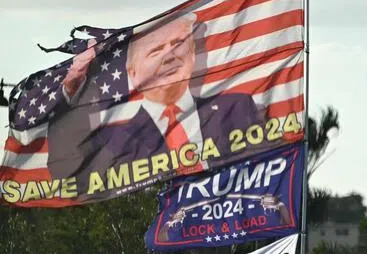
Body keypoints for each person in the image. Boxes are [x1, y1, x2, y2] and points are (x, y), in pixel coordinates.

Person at [48, 13, 261, 186]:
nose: (169, 56)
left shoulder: (238, 108)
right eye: (156, 51)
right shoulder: (116, 139)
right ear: (132, 73)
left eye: (177, 44)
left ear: (192, 54)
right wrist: (71, 93)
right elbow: (67, 172)